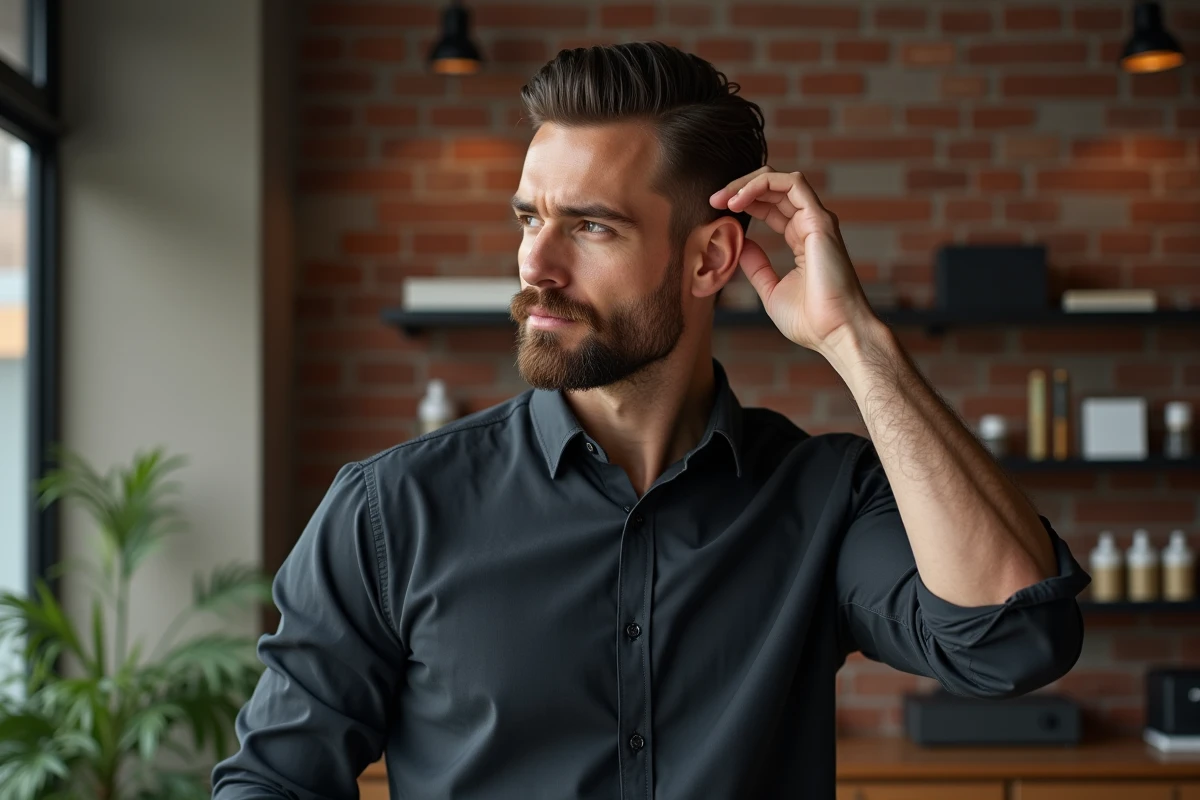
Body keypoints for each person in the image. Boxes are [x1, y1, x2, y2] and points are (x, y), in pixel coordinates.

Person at [212, 42, 1089, 799]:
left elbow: (1012, 640)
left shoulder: (824, 499)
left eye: (590, 227)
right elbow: (274, 781)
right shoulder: (389, 513)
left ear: (708, 258)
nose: (535, 264)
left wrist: (855, 342)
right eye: (529, 218)